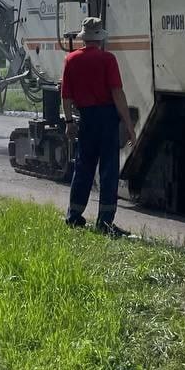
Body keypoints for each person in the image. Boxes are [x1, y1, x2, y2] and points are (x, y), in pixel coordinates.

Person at [61, 17, 137, 236]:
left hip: (86, 119)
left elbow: (65, 96)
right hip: (107, 118)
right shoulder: (108, 59)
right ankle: (104, 223)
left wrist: (68, 122)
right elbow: (117, 93)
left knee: (83, 168)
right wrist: (129, 126)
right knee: (108, 171)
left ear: (84, 38)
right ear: (100, 38)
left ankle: (74, 216)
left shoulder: (70, 60)